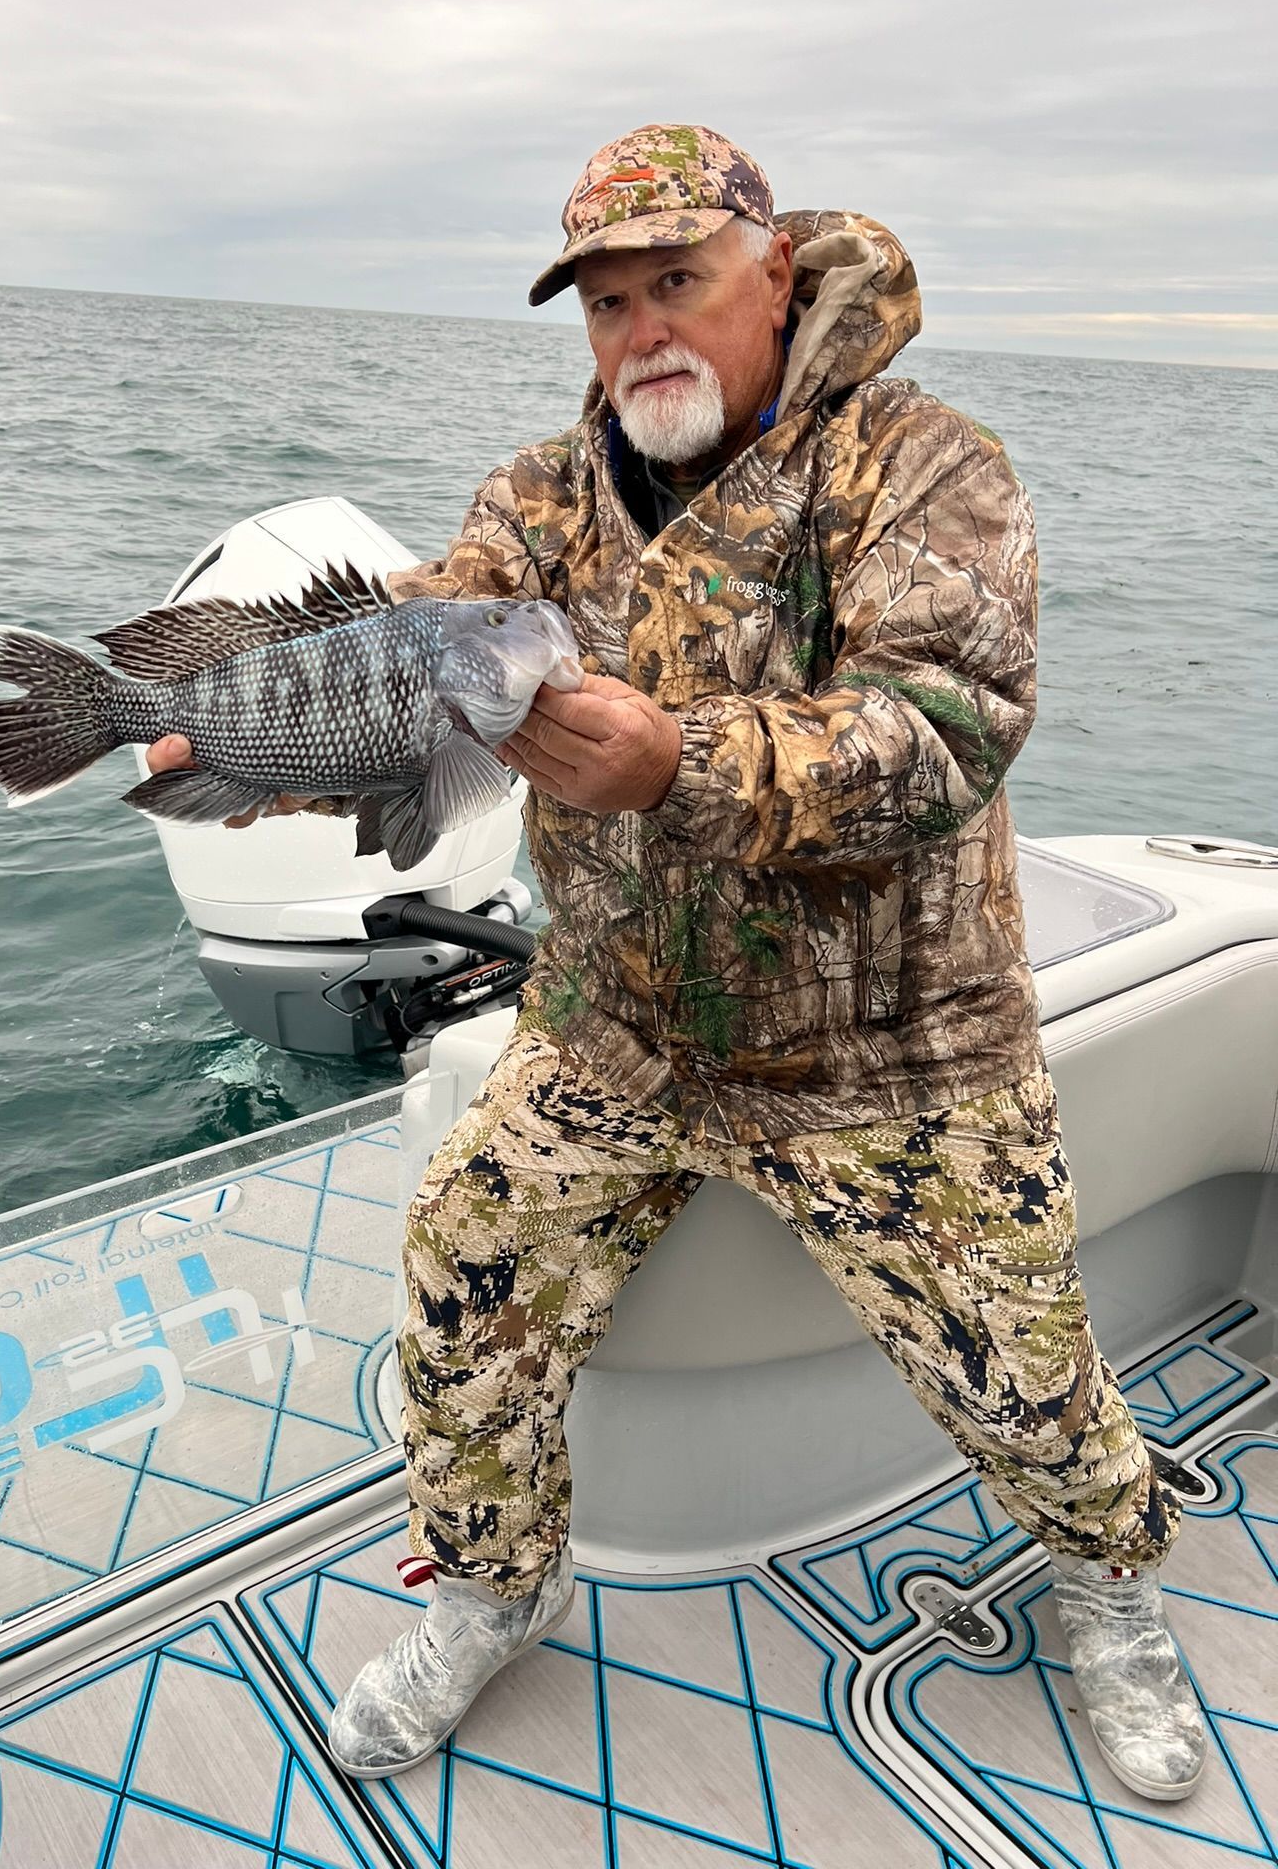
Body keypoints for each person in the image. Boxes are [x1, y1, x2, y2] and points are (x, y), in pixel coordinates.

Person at [147, 125, 1206, 1802]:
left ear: (775, 274)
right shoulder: (540, 496)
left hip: (890, 1056)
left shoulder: (926, 468)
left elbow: (943, 731)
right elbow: (436, 636)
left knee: (1022, 1372)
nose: (640, 330)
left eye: (678, 284)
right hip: (617, 1029)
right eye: (604, 302)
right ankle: (495, 1590)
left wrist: (679, 767)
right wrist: (248, 740)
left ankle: (1109, 1586)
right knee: (459, 1278)